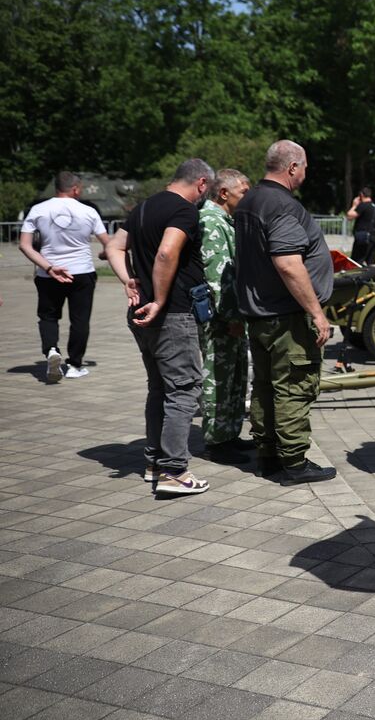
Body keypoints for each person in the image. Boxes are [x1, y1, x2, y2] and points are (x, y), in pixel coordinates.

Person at [107, 159, 214, 497]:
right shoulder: (183, 210)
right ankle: (174, 471)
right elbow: (167, 254)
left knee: (160, 387)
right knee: (184, 388)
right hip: (171, 314)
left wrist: (130, 282)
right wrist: (160, 299)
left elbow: (112, 246)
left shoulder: (142, 208)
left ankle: (154, 461)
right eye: (206, 192)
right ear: (200, 184)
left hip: (141, 313)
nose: (204, 198)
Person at [234, 140, 337, 485]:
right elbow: (289, 263)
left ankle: (268, 453)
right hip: (286, 318)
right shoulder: (281, 205)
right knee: (294, 386)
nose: (306, 173)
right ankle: (293, 461)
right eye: (305, 167)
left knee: (266, 386)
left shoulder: (250, 200)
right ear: (293, 167)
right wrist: (317, 314)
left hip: (261, 315)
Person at [18, 171, 110, 382]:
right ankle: (75, 365)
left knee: (48, 316)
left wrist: (49, 267)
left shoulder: (38, 209)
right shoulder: (89, 211)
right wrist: (106, 253)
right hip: (82, 272)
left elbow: (24, 245)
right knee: (80, 319)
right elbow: (108, 243)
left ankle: (51, 350)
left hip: (48, 274)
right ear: (76, 188)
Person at [199, 169, 253, 461]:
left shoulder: (225, 220)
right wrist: (231, 317)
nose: (247, 197)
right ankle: (216, 442)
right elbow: (217, 276)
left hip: (232, 316)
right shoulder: (210, 221)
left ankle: (229, 433)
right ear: (223, 193)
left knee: (235, 375)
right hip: (220, 319)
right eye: (243, 192)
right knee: (218, 377)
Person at [346, 187, 375, 265]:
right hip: (374, 237)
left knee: (356, 261)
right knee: (371, 261)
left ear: (361, 195)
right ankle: (370, 276)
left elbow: (349, 216)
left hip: (363, 237)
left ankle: (357, 276)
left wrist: (354, 205)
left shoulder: (363, 205)